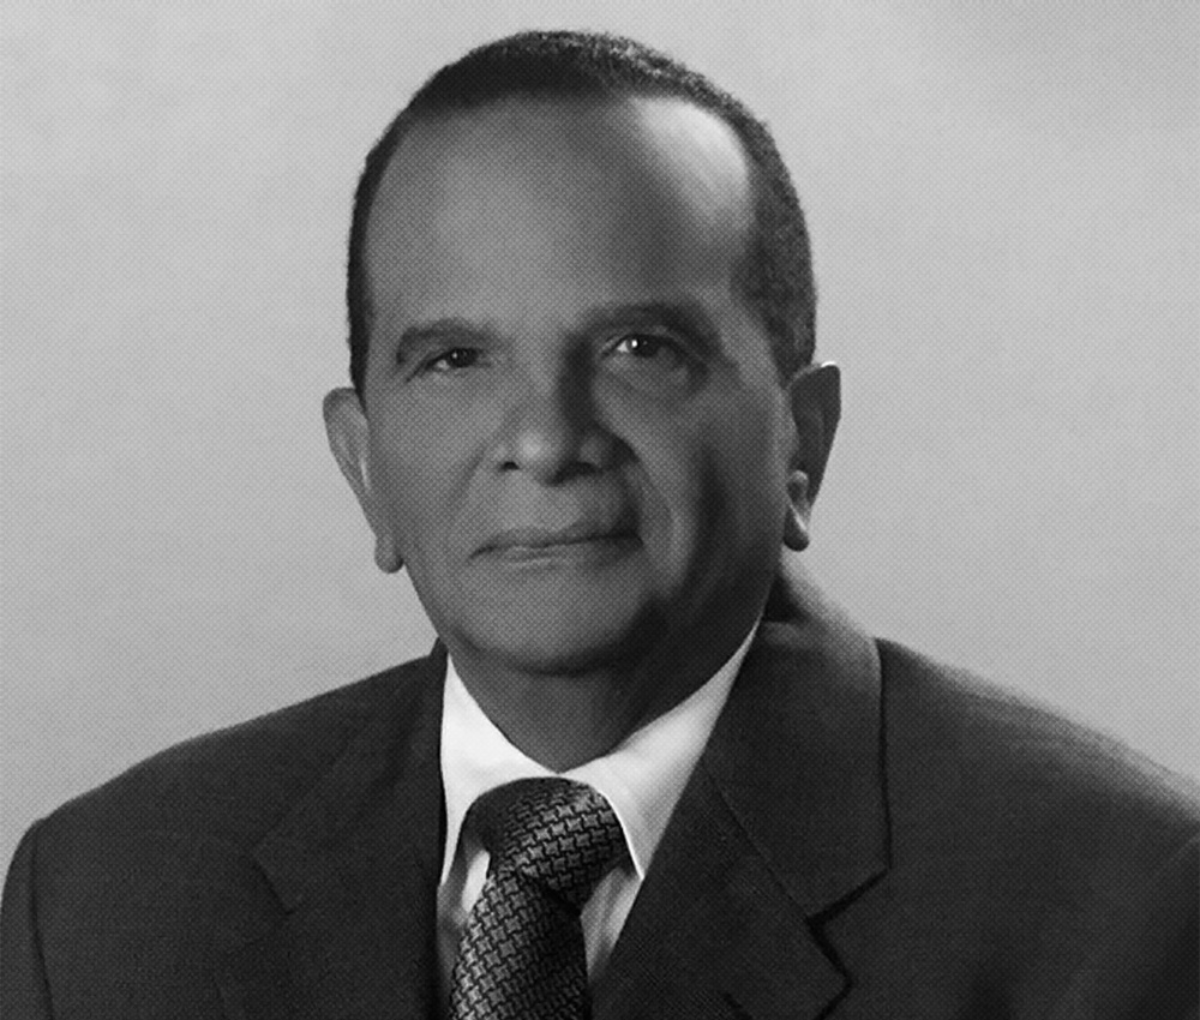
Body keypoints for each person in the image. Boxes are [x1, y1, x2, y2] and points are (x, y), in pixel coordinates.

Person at [2, 29, 1196, 1020]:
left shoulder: (1118, 907)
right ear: (364, 467)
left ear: (803, 442)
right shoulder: (104, 903)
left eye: (639, 348)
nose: (546, 437)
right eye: (455, 359)